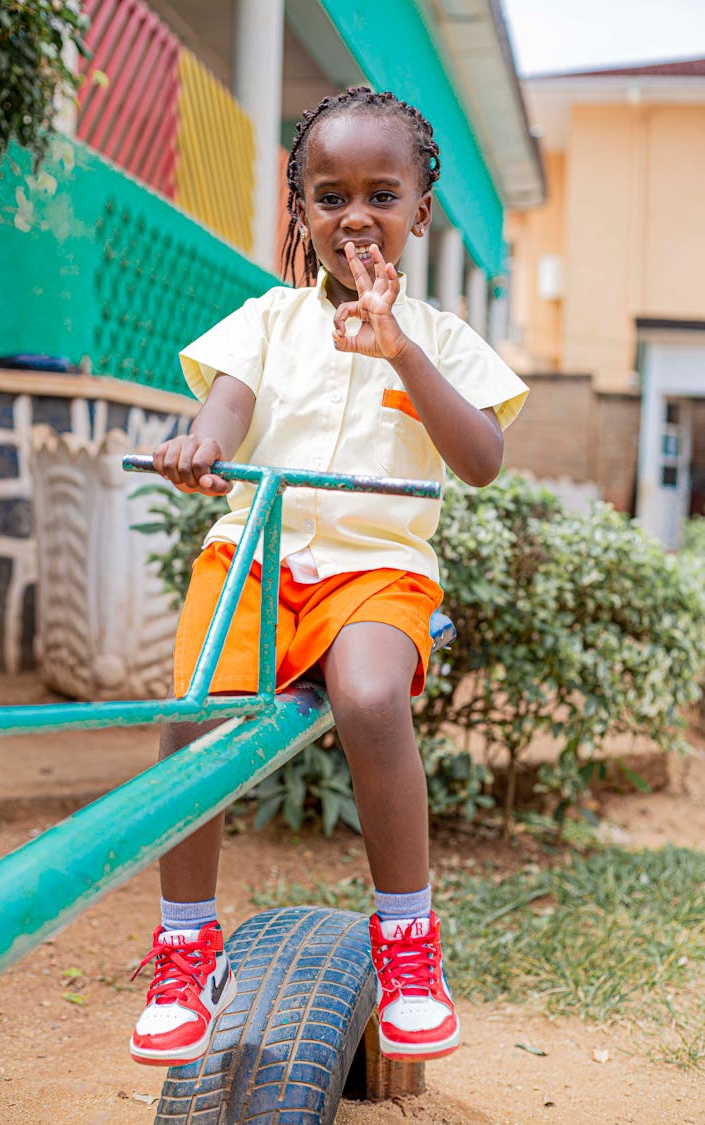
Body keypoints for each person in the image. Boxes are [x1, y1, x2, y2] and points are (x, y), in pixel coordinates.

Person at [129, 86, 528, 1068]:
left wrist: (399, 354)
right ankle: (188, 945)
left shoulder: (437, 337)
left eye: (380, 194)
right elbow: (225, 412)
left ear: (419, 210)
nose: (355, 215)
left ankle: (406, 942)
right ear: (301, 210)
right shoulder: (267, 320)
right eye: (329, 194)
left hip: (377, 570)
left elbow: (478, 460)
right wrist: (200, 450)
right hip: (256, 557)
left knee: (368, 694)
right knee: (191, 714)